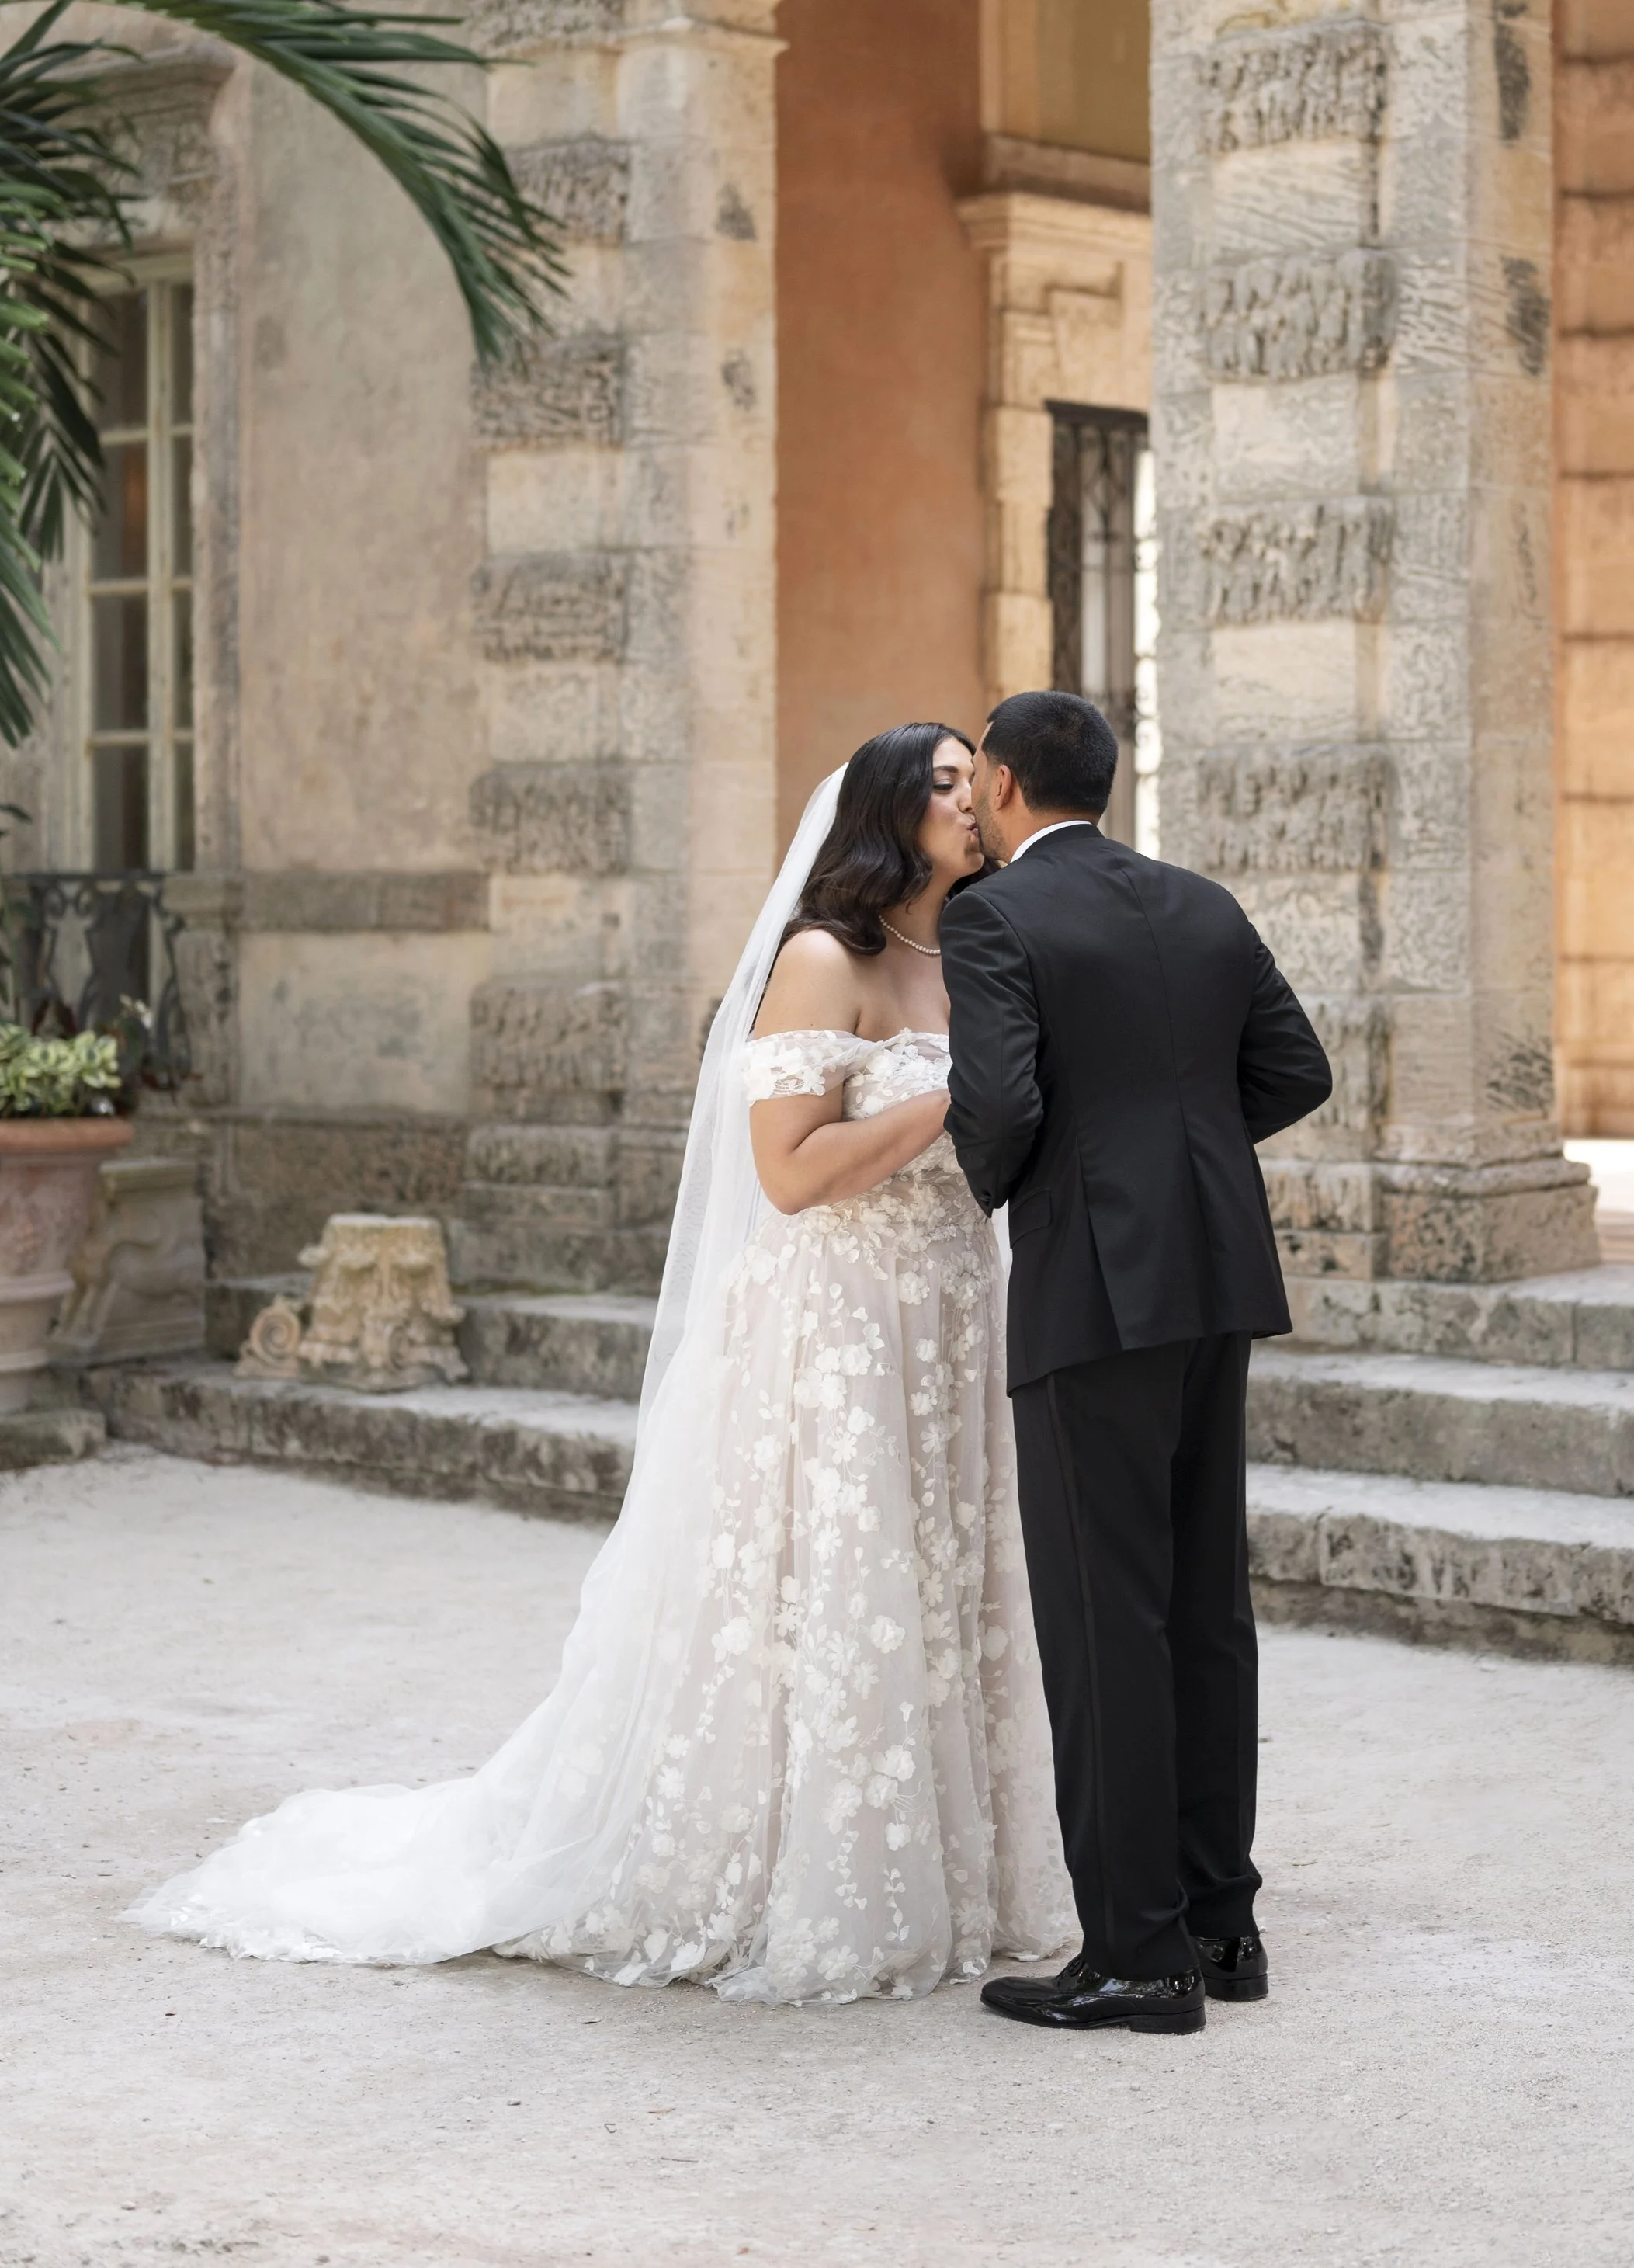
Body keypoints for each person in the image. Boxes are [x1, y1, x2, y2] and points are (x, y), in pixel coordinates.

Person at [131, 725, 1073, 2004]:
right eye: (949, 782)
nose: (975, 802)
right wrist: (948, 1100)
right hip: (838, 1319)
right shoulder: (820, 957)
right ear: (891, 810)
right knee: (836, 1586)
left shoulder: (972, 950)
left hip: (954, 1311)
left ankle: (951, 1867)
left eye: (981, 780)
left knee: (942, 1576)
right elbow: (789, 1175)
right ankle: (803, 1868)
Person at [940, 690, 1331, 2037]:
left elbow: (994, 1105)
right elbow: (1295, 1067)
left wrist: (1043, 1192)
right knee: (1203, 1600)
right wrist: (1188, 1161)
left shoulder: (991, 915)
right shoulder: (1202, 901)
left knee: (1108, 1621)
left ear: (998, 784)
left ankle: (1137, 1958)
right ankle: (1224, 1928)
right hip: (1217, 1275)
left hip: (1092, 1284)